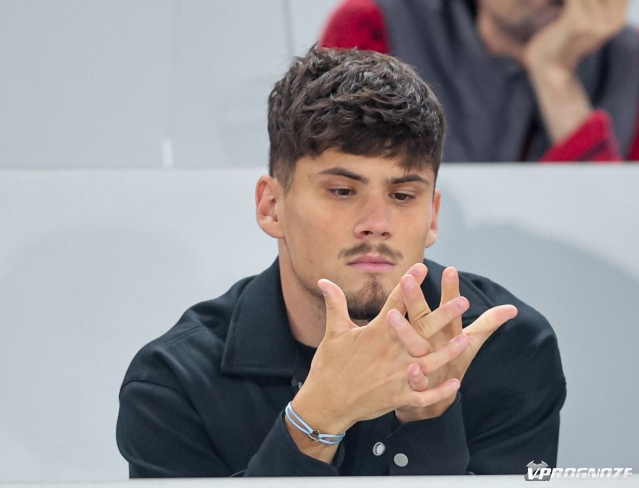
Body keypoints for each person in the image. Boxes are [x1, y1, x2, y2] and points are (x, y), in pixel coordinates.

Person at [116, 47, 566, 477]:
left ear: (432, 216)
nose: (377, 224)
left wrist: (431, 415)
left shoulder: (508, 349)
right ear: (272, 207)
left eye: (403, 195)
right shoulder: (175, 382)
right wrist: (316, 420)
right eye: (342, 191)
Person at [321, 0, 639, 162]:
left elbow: (613, 232)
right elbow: (347, 188)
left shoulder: (629, 62)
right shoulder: (375, 26)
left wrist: (555, 73)